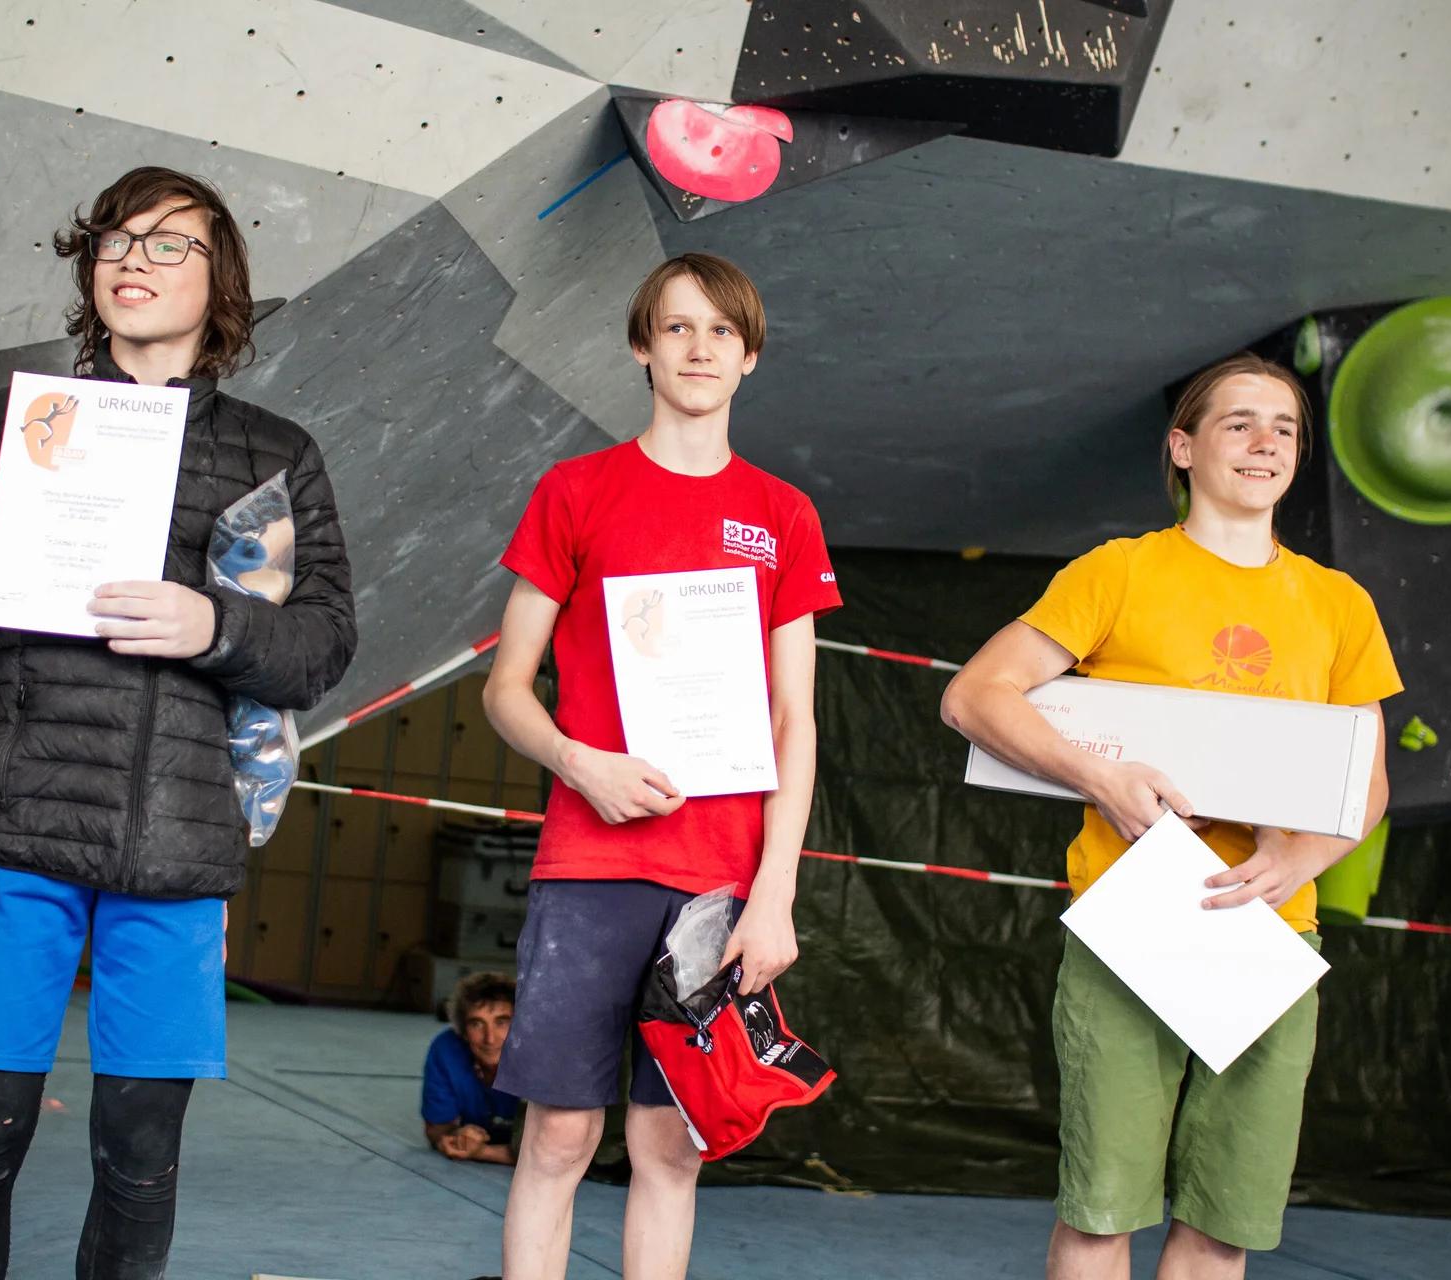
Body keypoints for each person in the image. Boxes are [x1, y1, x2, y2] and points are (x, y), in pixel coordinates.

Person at [0, 165, 357, 1280]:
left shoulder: (275, 453)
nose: (131, 260)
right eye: (113, 241)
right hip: (11, 839)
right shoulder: (17, 424)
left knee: (142, 1160)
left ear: (221, 281)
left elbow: (323, 642)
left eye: (165, 244)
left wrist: (215, 621)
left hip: (181, 850)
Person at [939, 353, 1402, 1279]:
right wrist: (1099, 777)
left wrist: (1303, 857)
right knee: (1103, 1212)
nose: (1266, 442)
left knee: (1221, 1229)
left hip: (1271, 935)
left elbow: (1370, 781)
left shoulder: (1340, 604)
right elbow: (974, 697)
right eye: (1239, 422)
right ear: (1184, 447)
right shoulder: (1119, 573)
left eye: (1285, 428)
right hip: (1132, 924)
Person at [482, 253, 842, 1280]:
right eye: (676, 328)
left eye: (720, 332)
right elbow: (507, 688)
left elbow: (793, 717)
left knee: (670, 1145)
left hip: (719, 884)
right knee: (557, 1136)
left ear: (750, 357)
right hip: (590, 868)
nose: (698, 348)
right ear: (643, 346)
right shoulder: (575, 491)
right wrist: (578, 760)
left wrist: (773, 893)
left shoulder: (781, 515)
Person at [422, 971, 519, 1165]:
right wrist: (455, 1136)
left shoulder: (545, 1057)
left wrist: (483, 1153)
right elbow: (436, 1127)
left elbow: (559, 1152)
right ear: (463, 1032)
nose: (489, 1038)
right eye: (476, 1024)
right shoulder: (447, 1050)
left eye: (501, 1022)